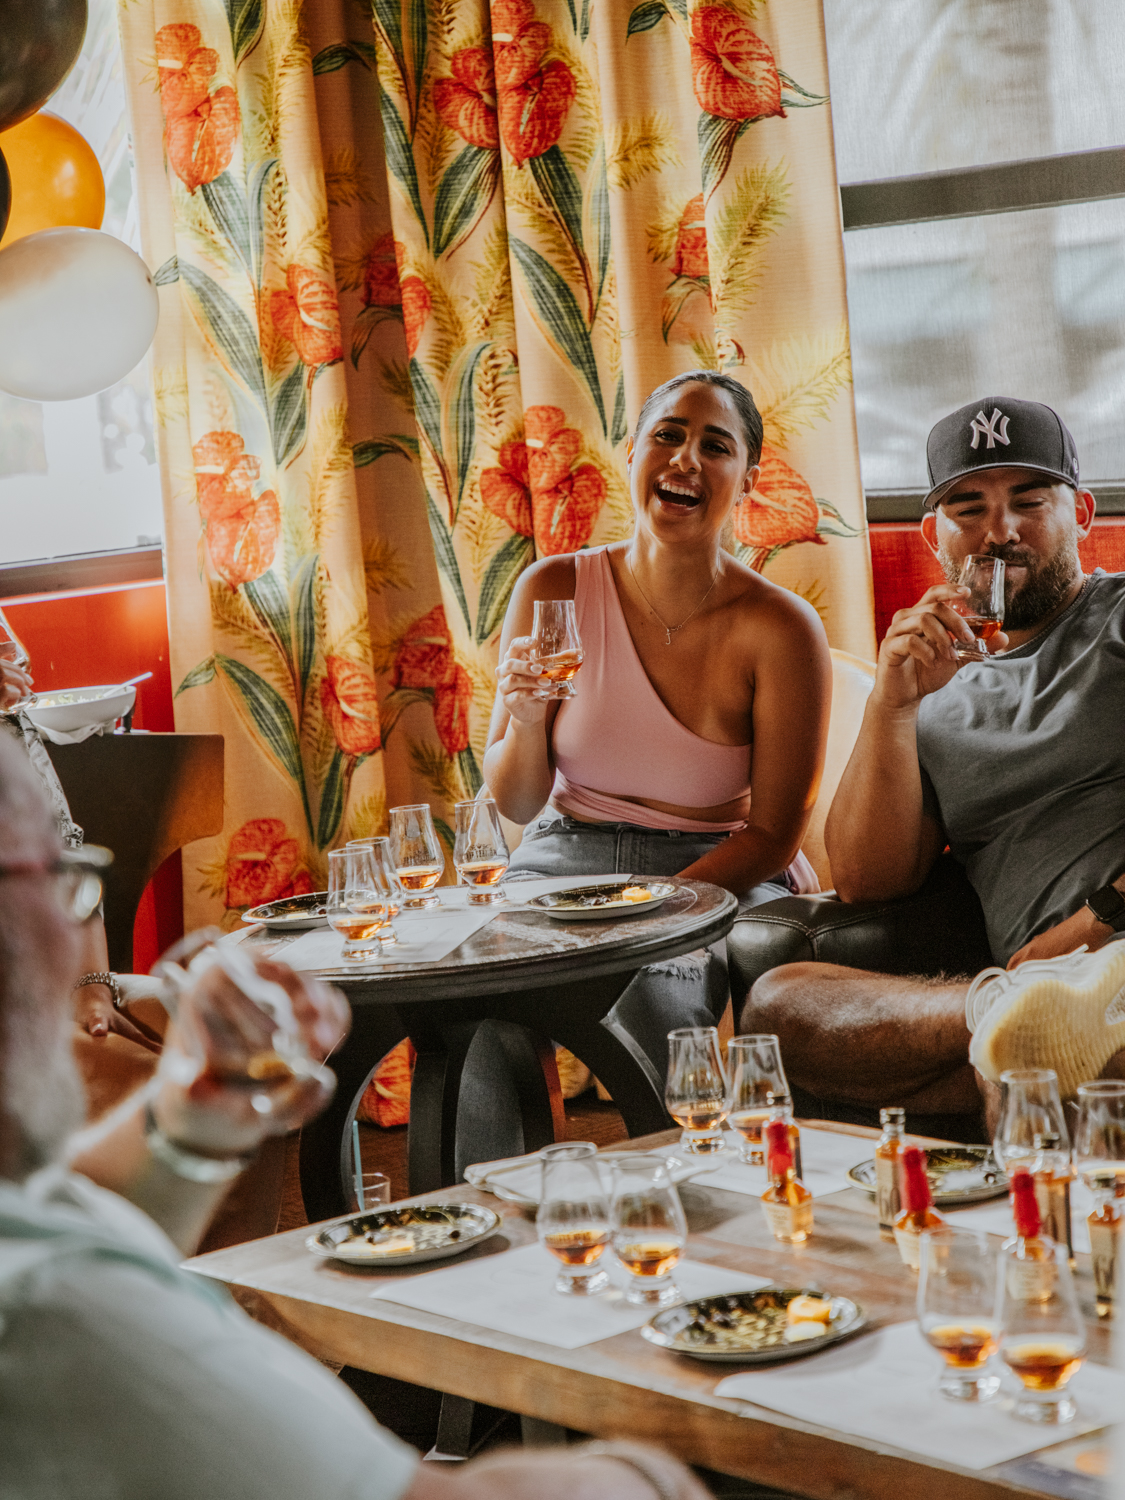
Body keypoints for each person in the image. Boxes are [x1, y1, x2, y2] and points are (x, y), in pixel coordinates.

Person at [0, 730, 707, 1500]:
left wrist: (189, 1118)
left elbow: (54, 1207)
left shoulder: (41, 1256)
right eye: (65, 879)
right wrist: (649, 1469)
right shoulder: (57, 1316)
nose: (76, 934)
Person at [742, 396, 1125, 1125]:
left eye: (1028, 501)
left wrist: (1094, 924)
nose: (1000, 532)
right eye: (968, 508)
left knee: (1034, 1068)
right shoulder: (929, 685)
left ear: (1080, 514)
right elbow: (867, 880)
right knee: (779, 1004)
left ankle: (1029, 1049)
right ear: (934, 534)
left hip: (1108, 948)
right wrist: (891, 703)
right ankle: (1011, 1023)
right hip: (1030, 987)